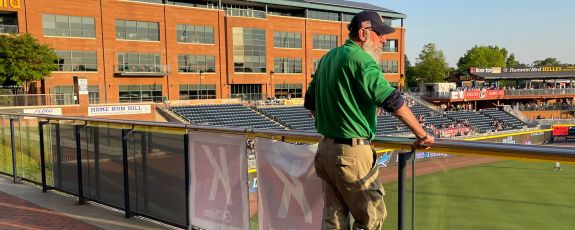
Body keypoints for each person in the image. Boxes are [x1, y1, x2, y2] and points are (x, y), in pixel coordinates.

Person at [303, 10, 434, 230]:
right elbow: (391, 100)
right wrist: (422, 134)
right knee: (371, 218)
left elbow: (310, 103)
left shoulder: (328, 57)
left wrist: (333, 124)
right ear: (363, 33)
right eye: (379, 34)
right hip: (351, 154)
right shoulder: (361, 60)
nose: (384, 39)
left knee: (333, 221)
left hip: (325, 149)